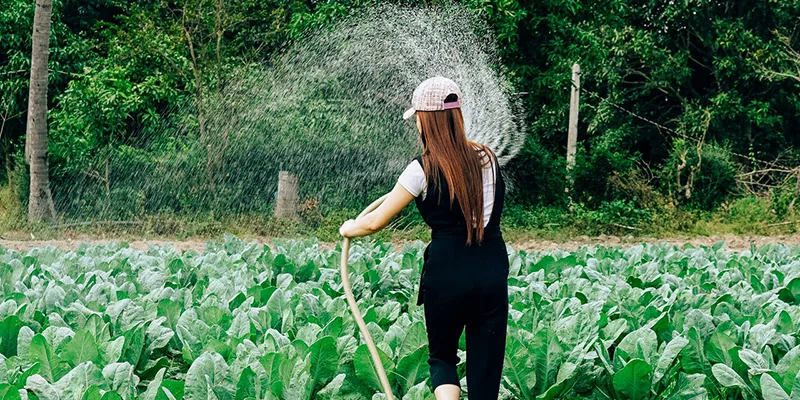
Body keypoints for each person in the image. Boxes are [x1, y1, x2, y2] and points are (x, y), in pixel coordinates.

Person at [339, 76, 509, 400]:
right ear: (456, 117)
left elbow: (374, 222)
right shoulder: (487, 158)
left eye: (417, 117)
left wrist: (348, 228)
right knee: (485, 367)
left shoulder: (421, 170)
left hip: (446, 273)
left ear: (425, 120)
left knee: (442, 358)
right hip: (490, 270)